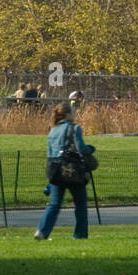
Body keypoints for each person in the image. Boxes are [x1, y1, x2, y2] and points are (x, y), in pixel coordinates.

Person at [35, 102, 92, 240]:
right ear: (67, 114)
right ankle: (80, 234)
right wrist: (91, 149)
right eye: (73, 112)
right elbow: (81, 149)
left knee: (54, 204)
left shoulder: (52, 130)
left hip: (55, 169)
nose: (75, 114)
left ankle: (42, 231)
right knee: (80, 204)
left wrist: (50, 177)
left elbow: (49, 153)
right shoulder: (74, 128)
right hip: (72, 170)